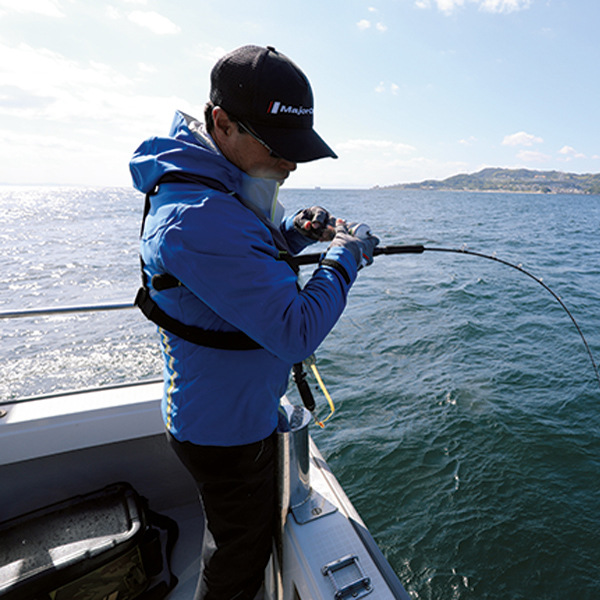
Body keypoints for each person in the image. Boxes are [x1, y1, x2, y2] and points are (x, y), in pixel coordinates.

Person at [129, 45, 378, 600]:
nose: (292, 165)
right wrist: (345, 254)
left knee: (240, 539)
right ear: (222, 123)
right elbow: (295, 331)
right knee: (237, 562)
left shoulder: (211, 183)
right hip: (224, 430)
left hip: (232, 410)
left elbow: (240, 259)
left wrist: (291, 232)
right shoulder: (195, 219)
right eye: (280, 148)